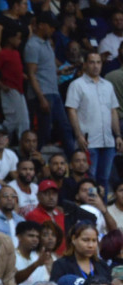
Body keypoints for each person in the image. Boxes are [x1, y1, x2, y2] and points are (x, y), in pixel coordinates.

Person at [65, 52, 123, 199]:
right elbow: (71, 110)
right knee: (90, 179)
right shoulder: (77, 85)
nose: (95, 65)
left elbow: (113, 111)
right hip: (88, 141)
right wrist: (78, 135)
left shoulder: (108, 85)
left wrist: (117, 135)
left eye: (98, 62)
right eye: (92, 62)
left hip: (108, 140)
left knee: (104, 179)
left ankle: (101, 212)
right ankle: (90, 211)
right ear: (85, 64)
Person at [25, 12, 75, 156]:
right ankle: (33, 160)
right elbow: (31, 74)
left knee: (65, 127)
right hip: (43, 94)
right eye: (51, 26)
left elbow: (44, 69)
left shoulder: (46, 42)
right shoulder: (33, 45)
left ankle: (73, 161)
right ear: (41, 25)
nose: (53, 29)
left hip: (53, 91)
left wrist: (60, 71)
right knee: (43, 131)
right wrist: (41, 98)